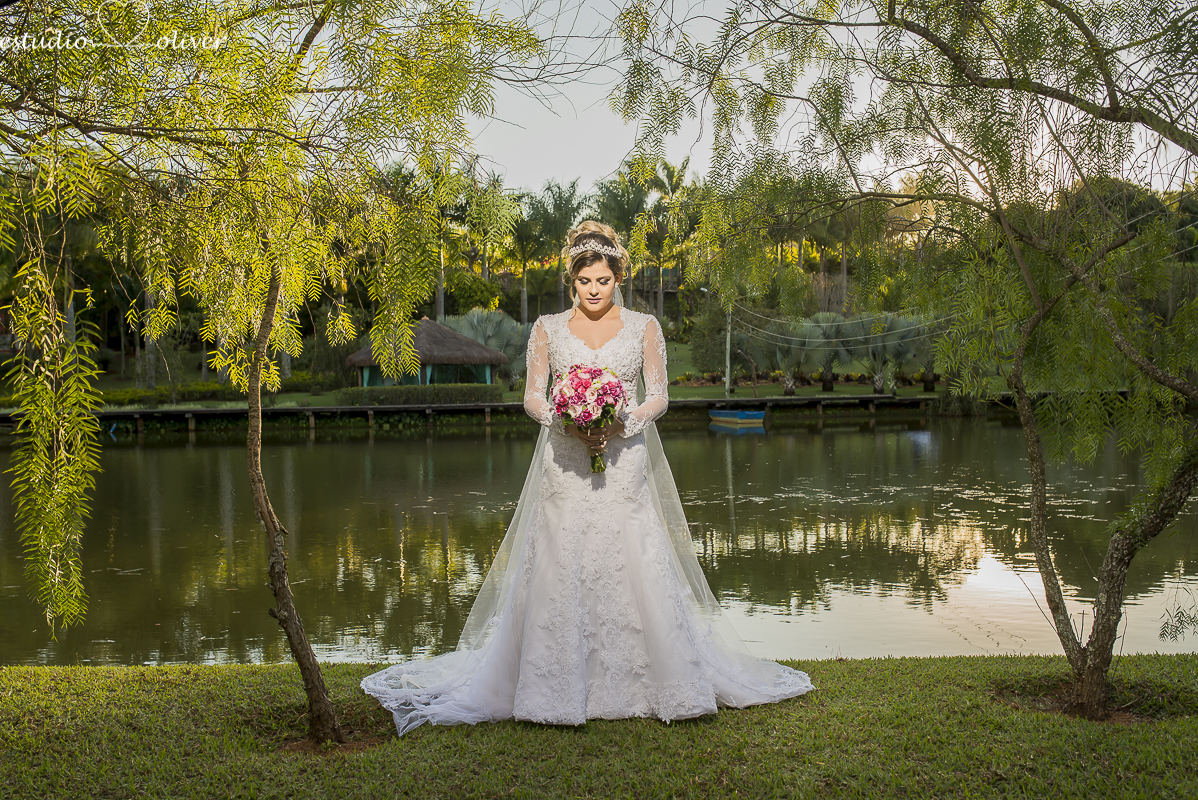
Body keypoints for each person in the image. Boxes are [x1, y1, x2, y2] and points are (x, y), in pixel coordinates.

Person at [361, 221, 813, 734]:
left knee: (633, 555)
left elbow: (660, 394)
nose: (593, 290)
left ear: (618, 276)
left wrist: (626, 420)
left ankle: (655, 681)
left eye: (602, 280)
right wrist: (566, 419)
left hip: (626, 460)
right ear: (570, 281)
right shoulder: (547, 329)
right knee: (561, 556)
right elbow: (532, 395)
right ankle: (553, 682)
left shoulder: (645, 326)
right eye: (584, 281)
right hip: (565, 459)